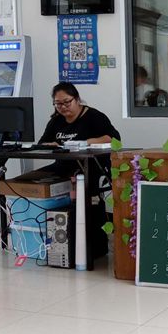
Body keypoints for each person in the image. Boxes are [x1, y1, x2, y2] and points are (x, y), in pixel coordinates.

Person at [38, 82, 121, 259]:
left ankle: (91, 247)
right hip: (63, 166)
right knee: (37, 179)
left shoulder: (94, 117)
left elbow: (113, 139)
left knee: (84, 187)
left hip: (91, 167)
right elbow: (42, 142)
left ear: (77, 99)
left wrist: (86, 142)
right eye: (58, 104)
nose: (63, 107)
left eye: (66, 102)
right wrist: (51, 145)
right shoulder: (56, 120)